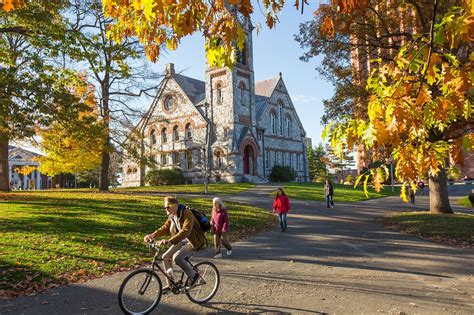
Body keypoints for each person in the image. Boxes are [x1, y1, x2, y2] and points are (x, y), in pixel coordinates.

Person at [144, 196, 206, 292]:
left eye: (168, 207)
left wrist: (169, 241)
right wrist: (153, 235)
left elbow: (186, 231)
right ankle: (171, 283)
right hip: (181, 240)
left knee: (177, 257)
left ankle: (194, 277)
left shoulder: (187, 213)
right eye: (165, 207)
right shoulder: (172, 215)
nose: (166, 209)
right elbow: (165, 227)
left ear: (175, 206)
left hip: (193, 241)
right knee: (165, 257)